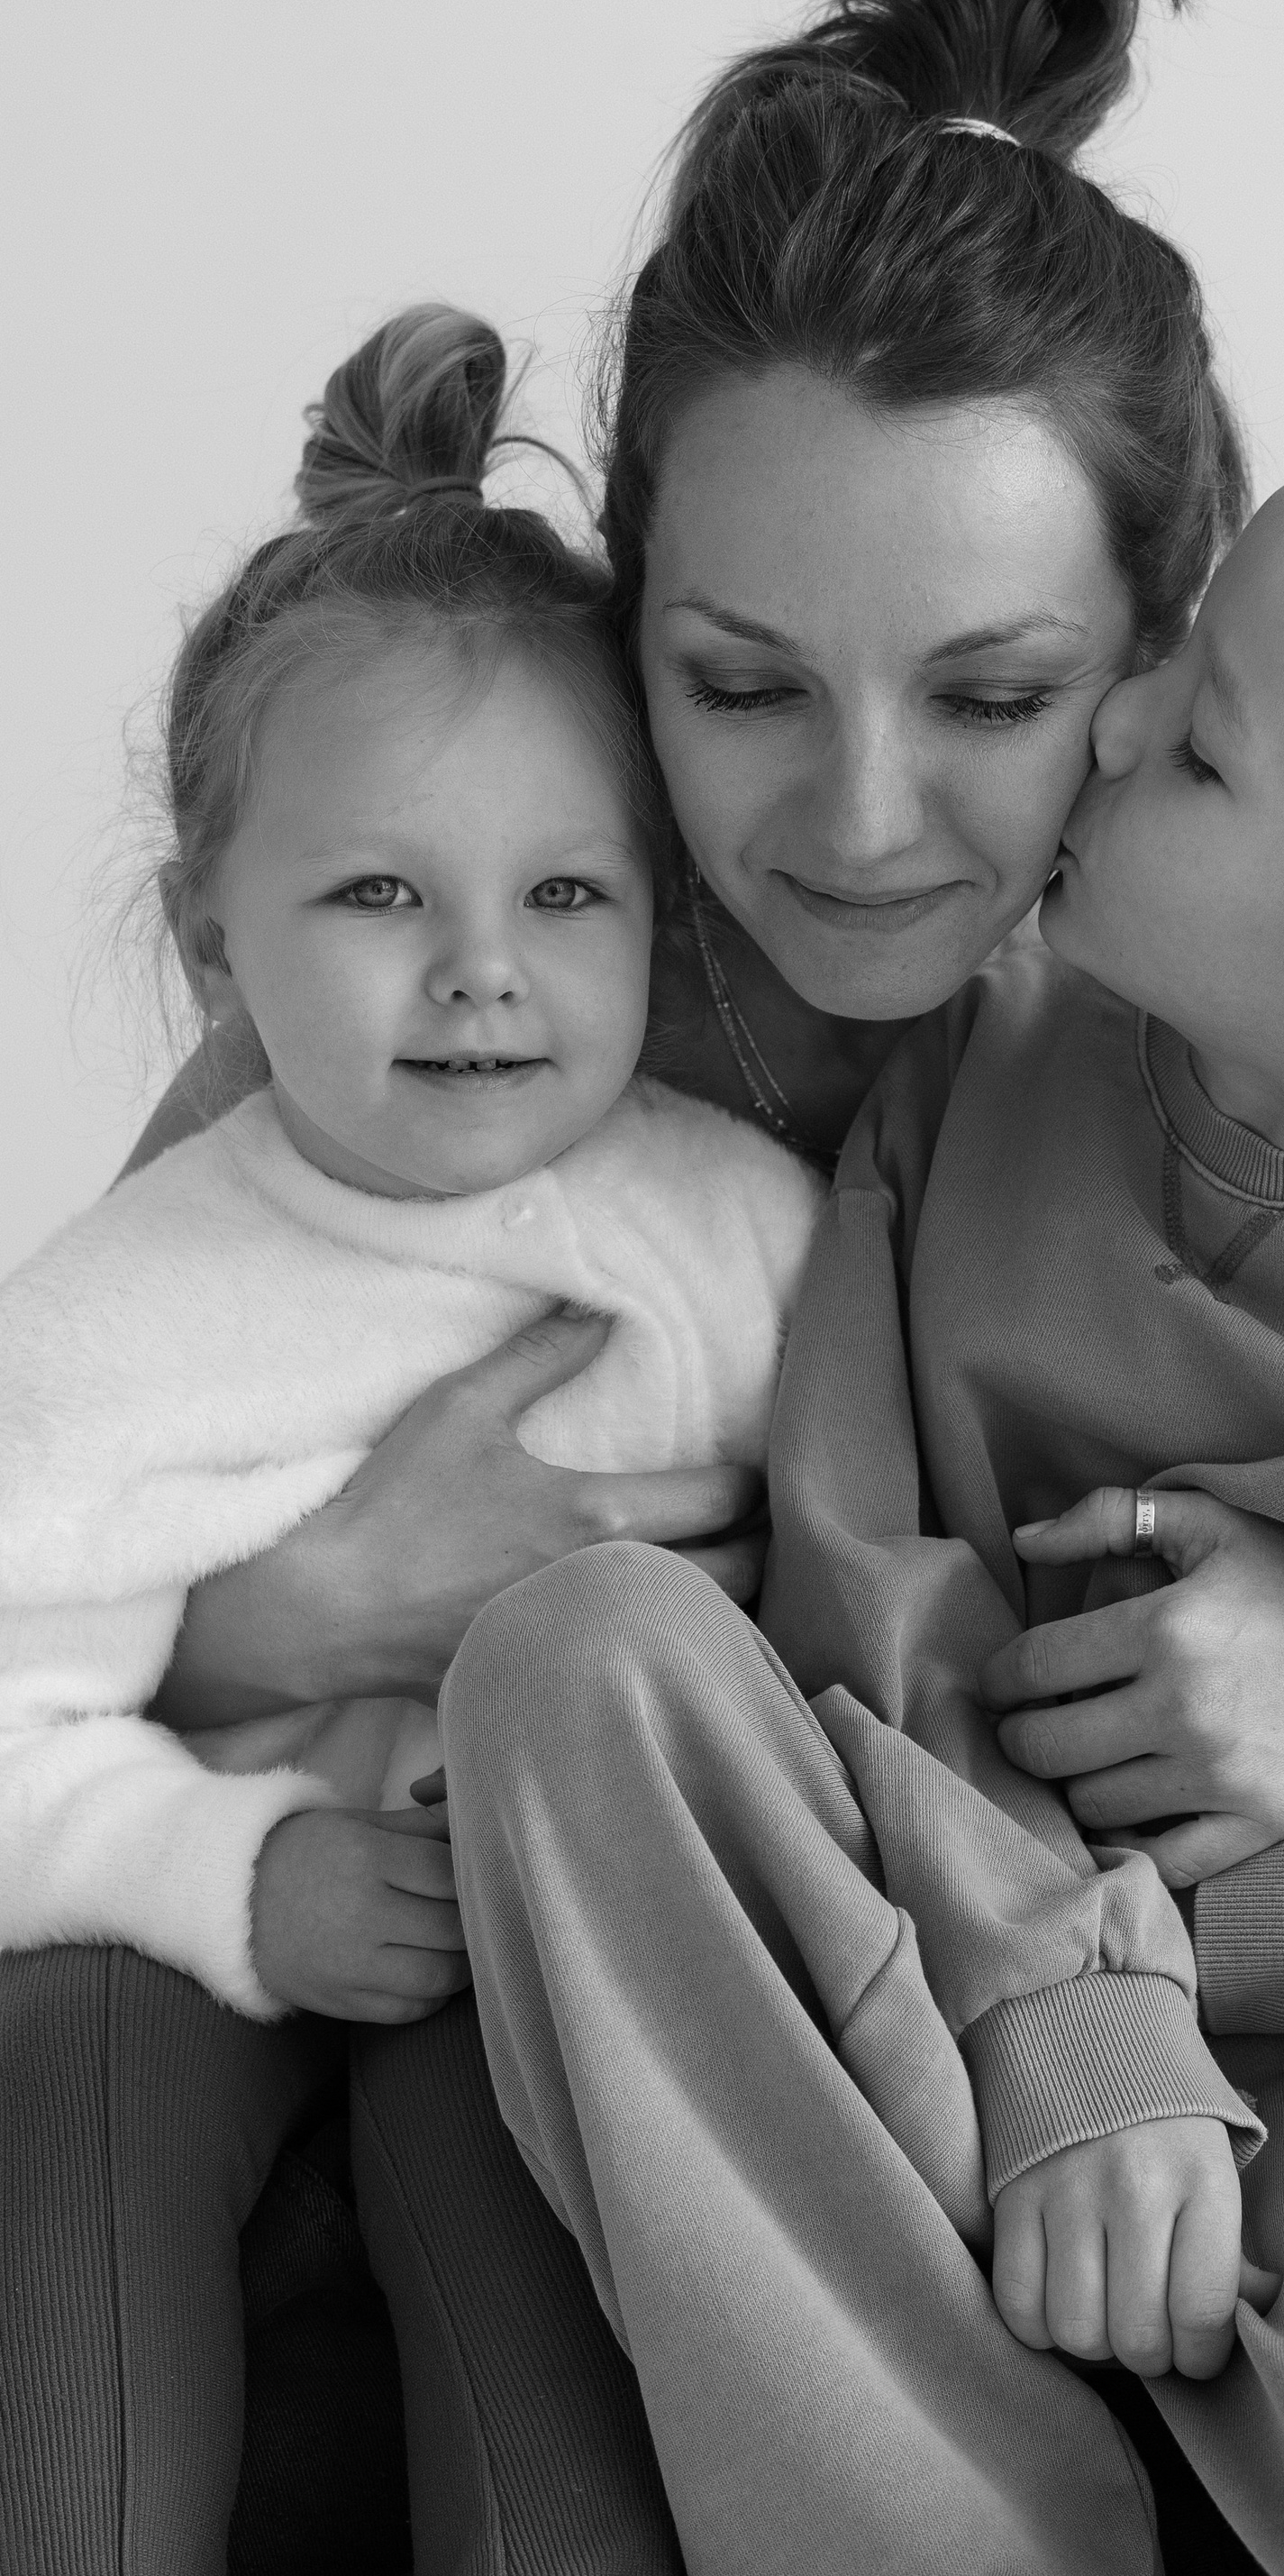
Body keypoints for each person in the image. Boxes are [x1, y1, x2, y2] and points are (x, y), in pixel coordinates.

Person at [0, 0, 1284, 2571]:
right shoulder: (457, 977)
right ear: (627, 630)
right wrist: (284, 1609)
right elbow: (99, 1454)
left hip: (1087, 2040)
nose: (868, 819)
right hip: (494, 1920)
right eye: (737, 685)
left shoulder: (1233, 1025)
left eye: (999, 692)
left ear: (1149, 668)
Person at [437, 406, 1284, 2576]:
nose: (1117, 717)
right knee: (581, 1661)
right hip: (968, 1929)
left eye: (1203, 745)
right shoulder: (998, 1044)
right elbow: (875, 1573)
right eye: (1182, 646)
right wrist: (1080, 2012)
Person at [0, 304, 818, 2575]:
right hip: (165, 1930)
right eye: (378, 893)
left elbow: (866, 1631)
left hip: (550, 1951)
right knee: (67, 2110)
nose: (480, 966)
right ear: (213, 944)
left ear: (662, 912)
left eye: (565, 893)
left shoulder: (750, 1251)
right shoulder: (109, 1321)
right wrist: (228, 1871)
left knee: (533, 2236)